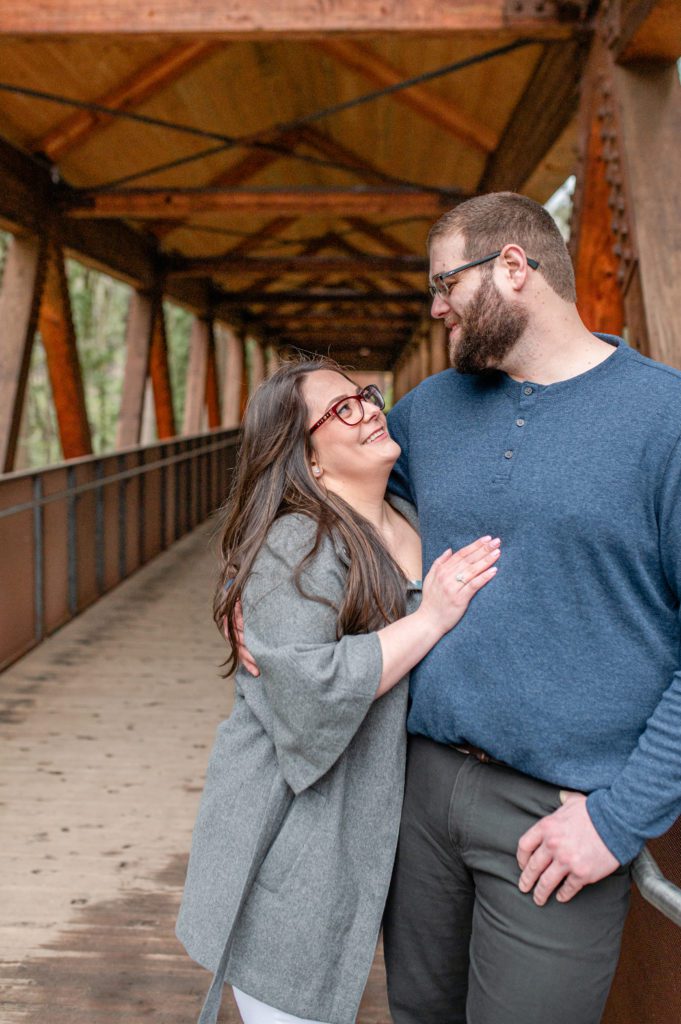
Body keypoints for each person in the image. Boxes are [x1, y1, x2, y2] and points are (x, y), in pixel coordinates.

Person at [379, 191, 681, 1024]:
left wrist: (620, 822)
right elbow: (325, 482)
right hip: (421, 782)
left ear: (513, 268)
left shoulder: (668, 419)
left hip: (558, 820)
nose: (436, 309)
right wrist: (256, 593)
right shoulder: (433, 409)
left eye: (445, 284)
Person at [176, 358, 500, 1024]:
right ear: (308, 460)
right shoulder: (295, 542)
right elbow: (305, 691)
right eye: (341, 410)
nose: (369, 409)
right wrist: (431, 617)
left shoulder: (410, 516)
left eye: (364, 396)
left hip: (397, 821)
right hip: (292, 837)